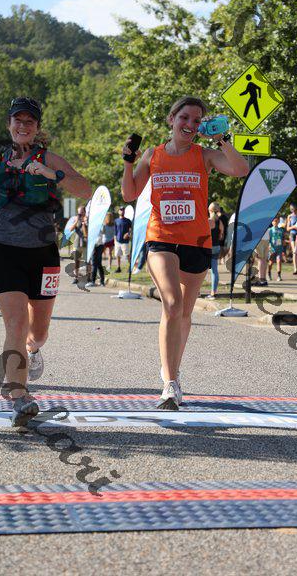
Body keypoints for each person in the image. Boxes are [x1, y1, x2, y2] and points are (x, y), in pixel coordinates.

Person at [121, 96, 248, 409]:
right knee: (172, 304)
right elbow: (129, 194)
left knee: (185, 314)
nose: (190, 124)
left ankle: (171, 370)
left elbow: (240, 169)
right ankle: (170, 383)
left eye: (196, 120)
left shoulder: (204, 155)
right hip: (161, 238)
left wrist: (222, 139)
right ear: (171, 119)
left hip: (197, 241)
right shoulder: (153, 155)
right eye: (184, 118)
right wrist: (128, 162)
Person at [0, 97, 91, 427]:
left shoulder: (49, 158)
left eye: (30, 121)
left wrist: (51, 173)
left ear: (37, 127)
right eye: (18, 120)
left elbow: (85, 190)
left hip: (43, 255)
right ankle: (19, 398)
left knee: (38, 332)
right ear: (9, 125)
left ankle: (34, 349)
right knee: (15, 324)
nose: (23, 126)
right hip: (5, 252)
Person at [207, 202, 224, 299]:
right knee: (214, 271)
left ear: (209, 210)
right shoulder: (220, 222)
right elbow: (221, 236)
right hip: (216, 247)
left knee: (202, 271)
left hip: (207, 247)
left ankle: (197, 292)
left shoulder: (208, 221)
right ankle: (213, 293)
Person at [69, 205, 90, 284]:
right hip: (77, 243)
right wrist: (76, 221)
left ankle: (88, 277)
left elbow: (86, 233)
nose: (80, 214)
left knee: (87, 261)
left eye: (81, 212)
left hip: (85, 243)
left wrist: (84, 223)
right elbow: (71, 229)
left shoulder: (88, 220)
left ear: (84, 212)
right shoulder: (76, 220)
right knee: (76, 262)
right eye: (78, 213)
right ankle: (76, 277)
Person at [114, 206, 132, 273]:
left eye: (123, 210)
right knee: (118, 255)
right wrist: (115, 240)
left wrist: (128, 234)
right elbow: (115, 231)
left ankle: (130, 267)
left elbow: (131, 229)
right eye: (121, 210)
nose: (122, 211)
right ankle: (118, 268)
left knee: (127, 255)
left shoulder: (128, 220)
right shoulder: (116, 220)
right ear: (118, 211)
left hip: (125, 241)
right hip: (118, 241)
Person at [286, 203, 297, 275]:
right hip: (292, 234)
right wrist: (294, 227)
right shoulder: (289, 216)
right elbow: (287, 228)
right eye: (291, 208)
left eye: (293, 208)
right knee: (294, 251)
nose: (292, 210)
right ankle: (295, 269)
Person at [268, 216, 284, 282]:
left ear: (278, 221)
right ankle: (269, 273)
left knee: (279, 260)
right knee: (271, 262)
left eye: (277, 221)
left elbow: (282, 238)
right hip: (272, 248)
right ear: (272, 222)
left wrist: (283, 248)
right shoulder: (270, 230)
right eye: (274, 221)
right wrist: (269, 246)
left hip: (279, 248)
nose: (275, 222)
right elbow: (268, 239)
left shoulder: (281, 230)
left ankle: (279, 275)